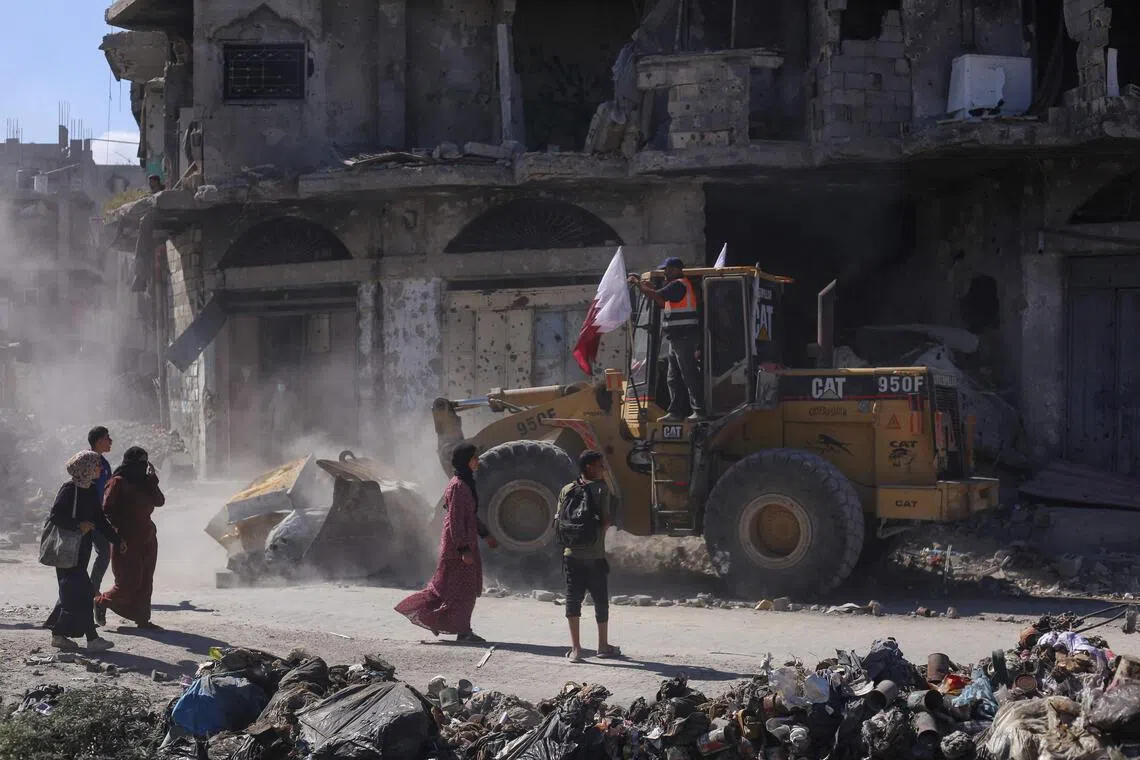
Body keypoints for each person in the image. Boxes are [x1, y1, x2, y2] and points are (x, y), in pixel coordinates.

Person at [394, 442, 498, 643]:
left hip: (465, 543)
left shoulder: (466, 483)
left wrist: (485, 534)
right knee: (448, 590)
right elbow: (456, 520)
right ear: (465, 461)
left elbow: (469, 516)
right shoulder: (458, 486)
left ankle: (463, 630)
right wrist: (463, 549)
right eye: (474, 458)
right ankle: (427, 614)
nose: (478, 461)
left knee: (464, 590)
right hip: (457, 548)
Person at [43, 451, 124, 652]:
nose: (100, 469)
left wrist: (117, 540)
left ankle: (59, 635)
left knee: (70, 594)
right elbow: (56, 516)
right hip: (66, 552)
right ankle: (91, 638)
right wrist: (78, 525)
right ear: (86, 468)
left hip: (81, 551)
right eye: (96, 466)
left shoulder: (89, 490)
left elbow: (100, 520)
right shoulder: (69, 489)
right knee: (82, 592)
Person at [95, 446, 166, 630]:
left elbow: (160, 501)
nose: (142, 466)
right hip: (126, 537)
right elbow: (107, 509)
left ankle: (143, 619)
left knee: (146, 579)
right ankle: (102, 601)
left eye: (145, 462)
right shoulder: (118, 482)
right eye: (139, 462)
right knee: (128, 581)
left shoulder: (146, 483)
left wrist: (152, 480)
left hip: (148, 536)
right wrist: (120, 533)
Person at [561, 450, 619, 663]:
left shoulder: (567, 489)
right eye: (600, 465)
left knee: (573, 598)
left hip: (570, 555)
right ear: (588, 468)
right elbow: (605, 522)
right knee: (600, 600)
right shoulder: (601, 490)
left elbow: (559, 520)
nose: (603, 468)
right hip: (594, 556)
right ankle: (603, 646)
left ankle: (576, 650)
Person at [632, 257, 706, 421]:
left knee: (689, 374)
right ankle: (675, 412)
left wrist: (639, 284)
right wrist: (647, 288)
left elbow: (657, 295)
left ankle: (699, 411)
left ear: (676, 269)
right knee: (673, 376)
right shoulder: (675, 287)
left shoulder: (679, 284)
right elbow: (659, 299)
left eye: (667, 269)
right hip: (676, 339)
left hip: (684, 338)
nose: (665, 272)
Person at [87, 426, 113, 599]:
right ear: (98, 441)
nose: (110, 441)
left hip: (97, 517)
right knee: (76, 562)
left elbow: (107, 490)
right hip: (84, 517)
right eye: (107, 437)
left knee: (104, 553)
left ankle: (92, 591)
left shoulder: (104, 464)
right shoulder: (87, 461)